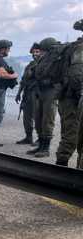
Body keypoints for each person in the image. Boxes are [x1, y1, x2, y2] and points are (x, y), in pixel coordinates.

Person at [55, 20, 83, 168]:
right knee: (72, 135)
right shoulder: (80, 49)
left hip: (68, 97)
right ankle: (62, 172)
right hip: (73, 99)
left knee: (70, 134)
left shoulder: (73, 47)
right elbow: (78, 75)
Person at [27, 37, 60, 158]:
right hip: (41, 91)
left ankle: (45, 148)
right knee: (39, 119)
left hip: (51, 91)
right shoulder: (44, 59)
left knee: (47, 120)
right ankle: (40, 145)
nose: (41, 52)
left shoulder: (56, 60)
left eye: (42, 49)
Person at [15, 43, 41, 145]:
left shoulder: (45, 65)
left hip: (37, 94)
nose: (35, 54)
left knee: (38, 117)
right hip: (27, 94)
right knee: (27, 118)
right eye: (33, 52)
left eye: (37, 51)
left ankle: (41, 139)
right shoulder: (29, 65)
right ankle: (28, 137)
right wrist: (18, 93)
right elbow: (23, 80)